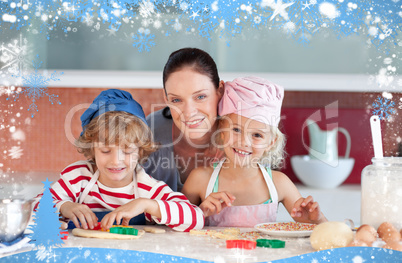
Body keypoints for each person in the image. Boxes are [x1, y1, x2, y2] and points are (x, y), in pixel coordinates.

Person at [34, 89, 204, 232]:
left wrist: (146, 205)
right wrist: (64, 206)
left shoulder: (146, 188)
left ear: (140, 150)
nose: (116, 161)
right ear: (92, 148)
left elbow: (196, 218)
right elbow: (33, 206)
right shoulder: (78, 178)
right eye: (106, 150)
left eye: (128, 151)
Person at [182, 77, 328, 227]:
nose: (244, 142)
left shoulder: (279, 183)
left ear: (270, 143)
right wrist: (199, 213)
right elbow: (174, 230)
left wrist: (316, 220)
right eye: (236, 130)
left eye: (257, 135)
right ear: (222, 131)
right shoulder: (199, 180)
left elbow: (318, 230)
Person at [144, 47, 225, 191]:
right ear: (166, 98)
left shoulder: (242, 136)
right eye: (176, 100)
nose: (188, 112)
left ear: (220, 90)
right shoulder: (150, 130)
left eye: (200, 97)